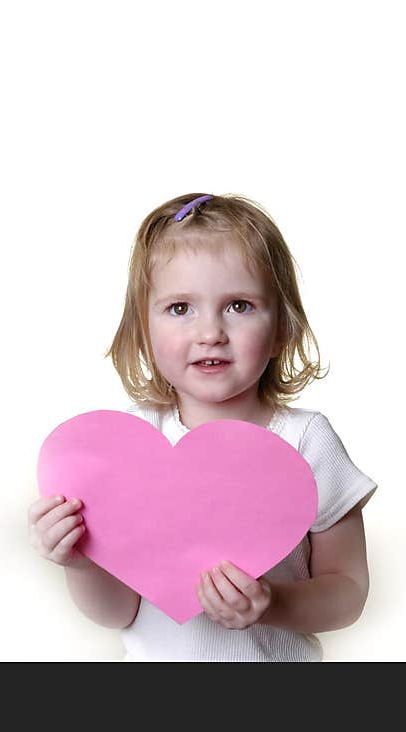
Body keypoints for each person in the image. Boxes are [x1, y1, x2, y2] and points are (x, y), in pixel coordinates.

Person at [28, 193, 377, 661]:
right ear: (144, 331)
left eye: (238, 305)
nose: (210, 331)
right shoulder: (129, 449)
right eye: (179, 308)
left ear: (281, 330)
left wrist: (272, 603)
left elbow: (348, 593)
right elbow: (119, 613)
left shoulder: (306, 441)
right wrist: (80, 563)